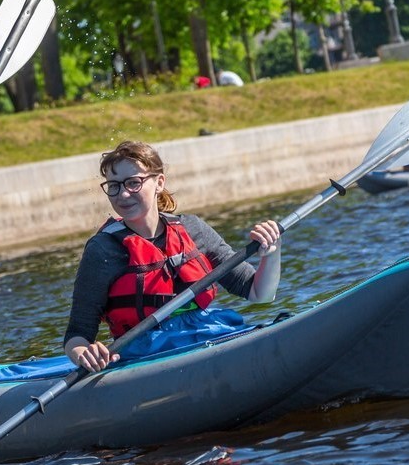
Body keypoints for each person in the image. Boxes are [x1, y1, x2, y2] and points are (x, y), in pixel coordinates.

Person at [63, 140, 282, 372]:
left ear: (159, 183)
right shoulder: (102, 250)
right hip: (144, 356)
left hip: (207, 334)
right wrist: (85, 355)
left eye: (133, 183)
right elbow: (76, 337)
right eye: (114, 186)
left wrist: (271, 253)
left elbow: (260, 293)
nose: (123, 194)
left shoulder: (193, 229)